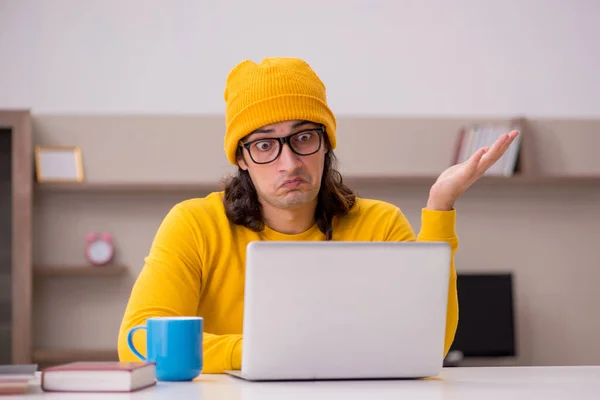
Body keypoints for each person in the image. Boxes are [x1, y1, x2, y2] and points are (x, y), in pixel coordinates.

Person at [117, 57, 518, 374]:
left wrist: (440, 206)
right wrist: (261, 352)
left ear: (326, 143)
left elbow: (431, 344)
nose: (288, 162)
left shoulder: (381, 223)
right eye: (263, 145)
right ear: (241, 157)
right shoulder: (193, 224)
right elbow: (137, 340)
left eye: (304, 137)